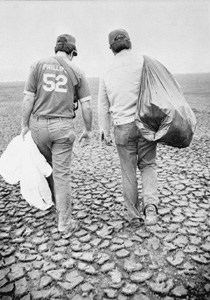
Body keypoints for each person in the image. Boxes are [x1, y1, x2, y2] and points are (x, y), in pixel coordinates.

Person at [21, 34, 92, 234]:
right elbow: (86, 105)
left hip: (39, 126)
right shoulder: (77, 70)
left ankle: (52, 204)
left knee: (46, 167)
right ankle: (64, 222)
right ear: (73, 52)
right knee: (62, 175)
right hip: (63, 127)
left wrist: (24, 125)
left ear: (55, 50)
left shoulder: (37, 65)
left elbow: (28, 99)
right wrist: (88, 129)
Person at [98, 29, 159, 226]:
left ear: (111, 49)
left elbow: (103, 105)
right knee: (148, 165)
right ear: (129, 43)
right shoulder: (143, 61)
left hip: (122, 127)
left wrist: (104, 131)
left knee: (128, 171)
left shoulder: (107, 70)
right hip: (146, 124)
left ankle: (134, 216)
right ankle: (150, 209)